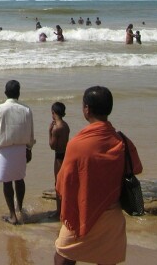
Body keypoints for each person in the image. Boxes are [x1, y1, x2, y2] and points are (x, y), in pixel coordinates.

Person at [54, 86, 143, 265]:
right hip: (112, 215)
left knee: (63, 256)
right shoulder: (122, 141)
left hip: (80, 214)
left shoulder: (78, 144)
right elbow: (136, 168)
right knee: (107, 260)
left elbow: (63, 183)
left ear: (87, 109)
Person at [0, 80, 35, 225]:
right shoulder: (26, 109)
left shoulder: (0, 109)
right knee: (19, 179)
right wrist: (29, 148)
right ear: (18, 93)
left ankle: (13, 215)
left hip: (4, 150)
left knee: (7, 182)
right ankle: (20, 209)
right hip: (21, 148)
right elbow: (30, 131)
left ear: (5, 93)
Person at [49, 102, 70, 219]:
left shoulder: (56, 128)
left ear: (53, 113)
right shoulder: (65, 125)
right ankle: (64, 209)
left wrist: (49, 131)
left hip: (59, 156)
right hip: (66, 154)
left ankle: (59, 211)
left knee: (58, 183)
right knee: (64, 182)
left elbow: (52, 146)